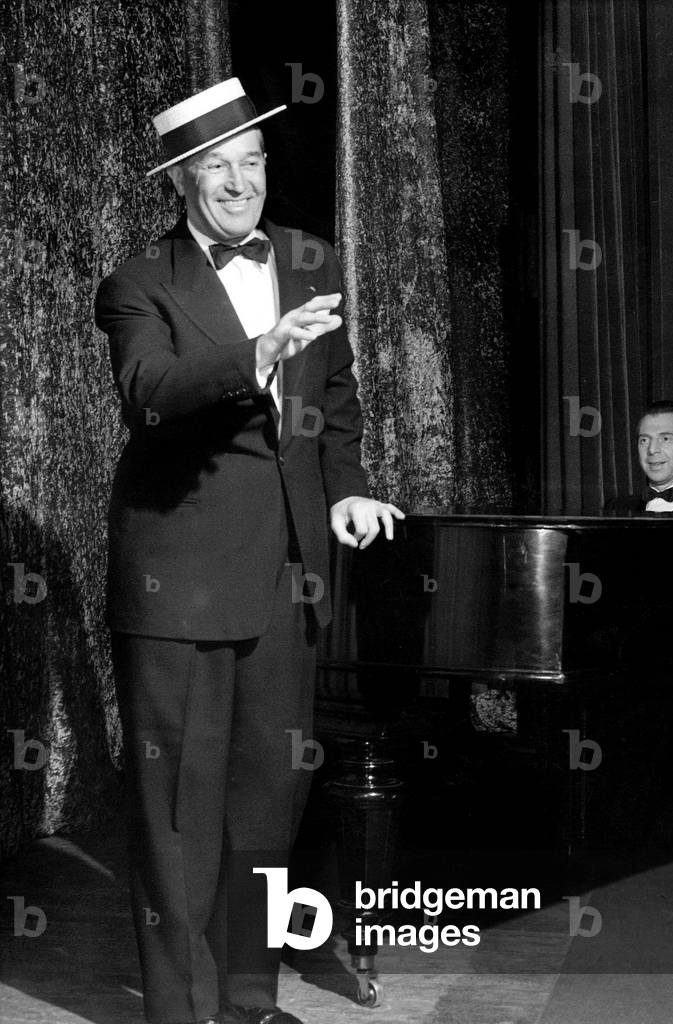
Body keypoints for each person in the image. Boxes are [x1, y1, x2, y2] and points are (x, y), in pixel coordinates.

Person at [95, 78, 404, 1024]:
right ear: (182, 183)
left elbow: (338, 404)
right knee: (180, 818)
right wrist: (257, 355)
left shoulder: (312, 260)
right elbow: (150, 389)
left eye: (252, 161)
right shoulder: (138, 282)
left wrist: (347, 489)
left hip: (287, 581)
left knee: (265, 809)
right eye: (216, 168)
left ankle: (246, 1001)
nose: (239, 183)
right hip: (178, 586)